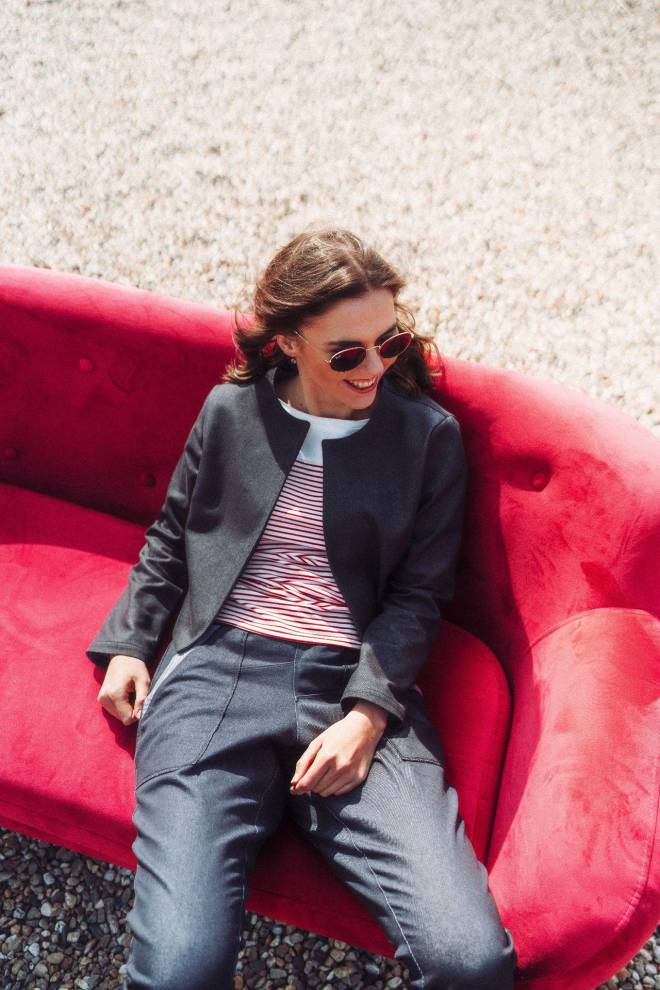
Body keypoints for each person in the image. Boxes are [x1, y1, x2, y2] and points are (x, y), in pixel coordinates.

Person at [88, 225, 518, 989]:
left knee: (471, 959)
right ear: (286, 341)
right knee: (180, 968)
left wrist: (368, 716)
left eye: (389, 342)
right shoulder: (230, 412)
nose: (375, 367)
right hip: (215, 673)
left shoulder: (427, 439)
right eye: (347, 353)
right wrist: (130, 641)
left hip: (351, 682)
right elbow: (174, 534)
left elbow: (419, 595)